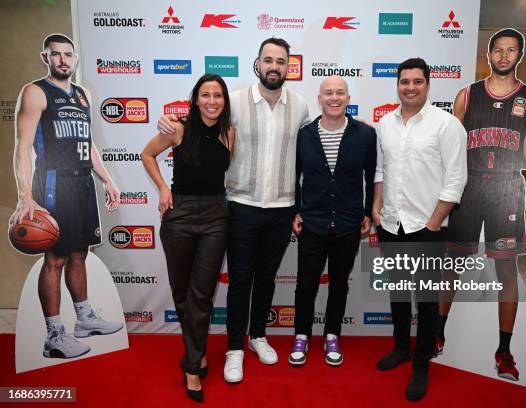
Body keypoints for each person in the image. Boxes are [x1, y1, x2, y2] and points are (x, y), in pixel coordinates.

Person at [157, 37, 310, 383]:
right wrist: (168, 121)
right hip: (241, 205)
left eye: (281, 61)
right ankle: (235, 348)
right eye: (268, 60)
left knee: (267, 278)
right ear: (258, 63)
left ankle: (257, 335)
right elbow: (200, 119)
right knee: (240, 280)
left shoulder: (300, 106)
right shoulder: (236, 101)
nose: (274, 66)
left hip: (282, 208)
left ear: (289, 66)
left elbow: (306, 156)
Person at [438, 28, 526, 381]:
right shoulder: (467, 95)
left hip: (507, 188)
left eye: (510, 50)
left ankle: (503, 350)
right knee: (452, 263)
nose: (503, 55)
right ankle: (436, 333)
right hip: (470, 186)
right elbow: (452, 150)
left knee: (506, 271)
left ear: (519, 56)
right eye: (497, 50)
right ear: (489, 54)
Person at [9, 34, 122, 360]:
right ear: (45, 56)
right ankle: (54, 335)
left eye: (68, 55)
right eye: (56, 54)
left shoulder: (83, 95)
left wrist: (108, 181)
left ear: (75, 58)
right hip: (53, 185)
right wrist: (25, 195)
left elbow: (88, 143)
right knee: (55, 259)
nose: (63, 60)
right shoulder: (36, 92)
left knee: (79, 254)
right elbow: (23, 146)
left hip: (83, 183)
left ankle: (84, 320)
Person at [372, 58, 467, 401]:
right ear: (397, 85)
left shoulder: (447, 125)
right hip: (392, 224)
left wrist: (433, 221)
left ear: (428, 84)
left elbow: (456, 180)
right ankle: (401, 348)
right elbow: (381, 170)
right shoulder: (385, 124)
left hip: (427, 227)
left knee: (426, 301)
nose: (410, 87)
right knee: (398, 292)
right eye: (404, 81)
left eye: (417, 81)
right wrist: (377, 207)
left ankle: (422, 365)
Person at [142, 74, 234, 403]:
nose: (212, 101)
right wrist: (163, 188)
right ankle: (198, 352)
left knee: (202, 293)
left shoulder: (229, 134)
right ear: (196, 99)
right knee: (183, 293)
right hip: (178, 215)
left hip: (214, 218)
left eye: (218, 96)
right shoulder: (178, 128)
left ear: (225, 101)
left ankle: (192, 367)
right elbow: (146, 154)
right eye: (206, 95)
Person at [290, 76, 376, 367]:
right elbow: (294, 178)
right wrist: (297, 211)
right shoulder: (304, 135)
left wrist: (366, 212)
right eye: (329, 93)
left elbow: (372, 177)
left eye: (340, 93)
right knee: (306, 285)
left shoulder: (364, 135)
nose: (334, 98)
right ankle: (301, 334)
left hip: (348, 225)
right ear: (319, 98)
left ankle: (331, 335)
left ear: (348, 98)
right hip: (313, 224)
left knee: (339, 285)